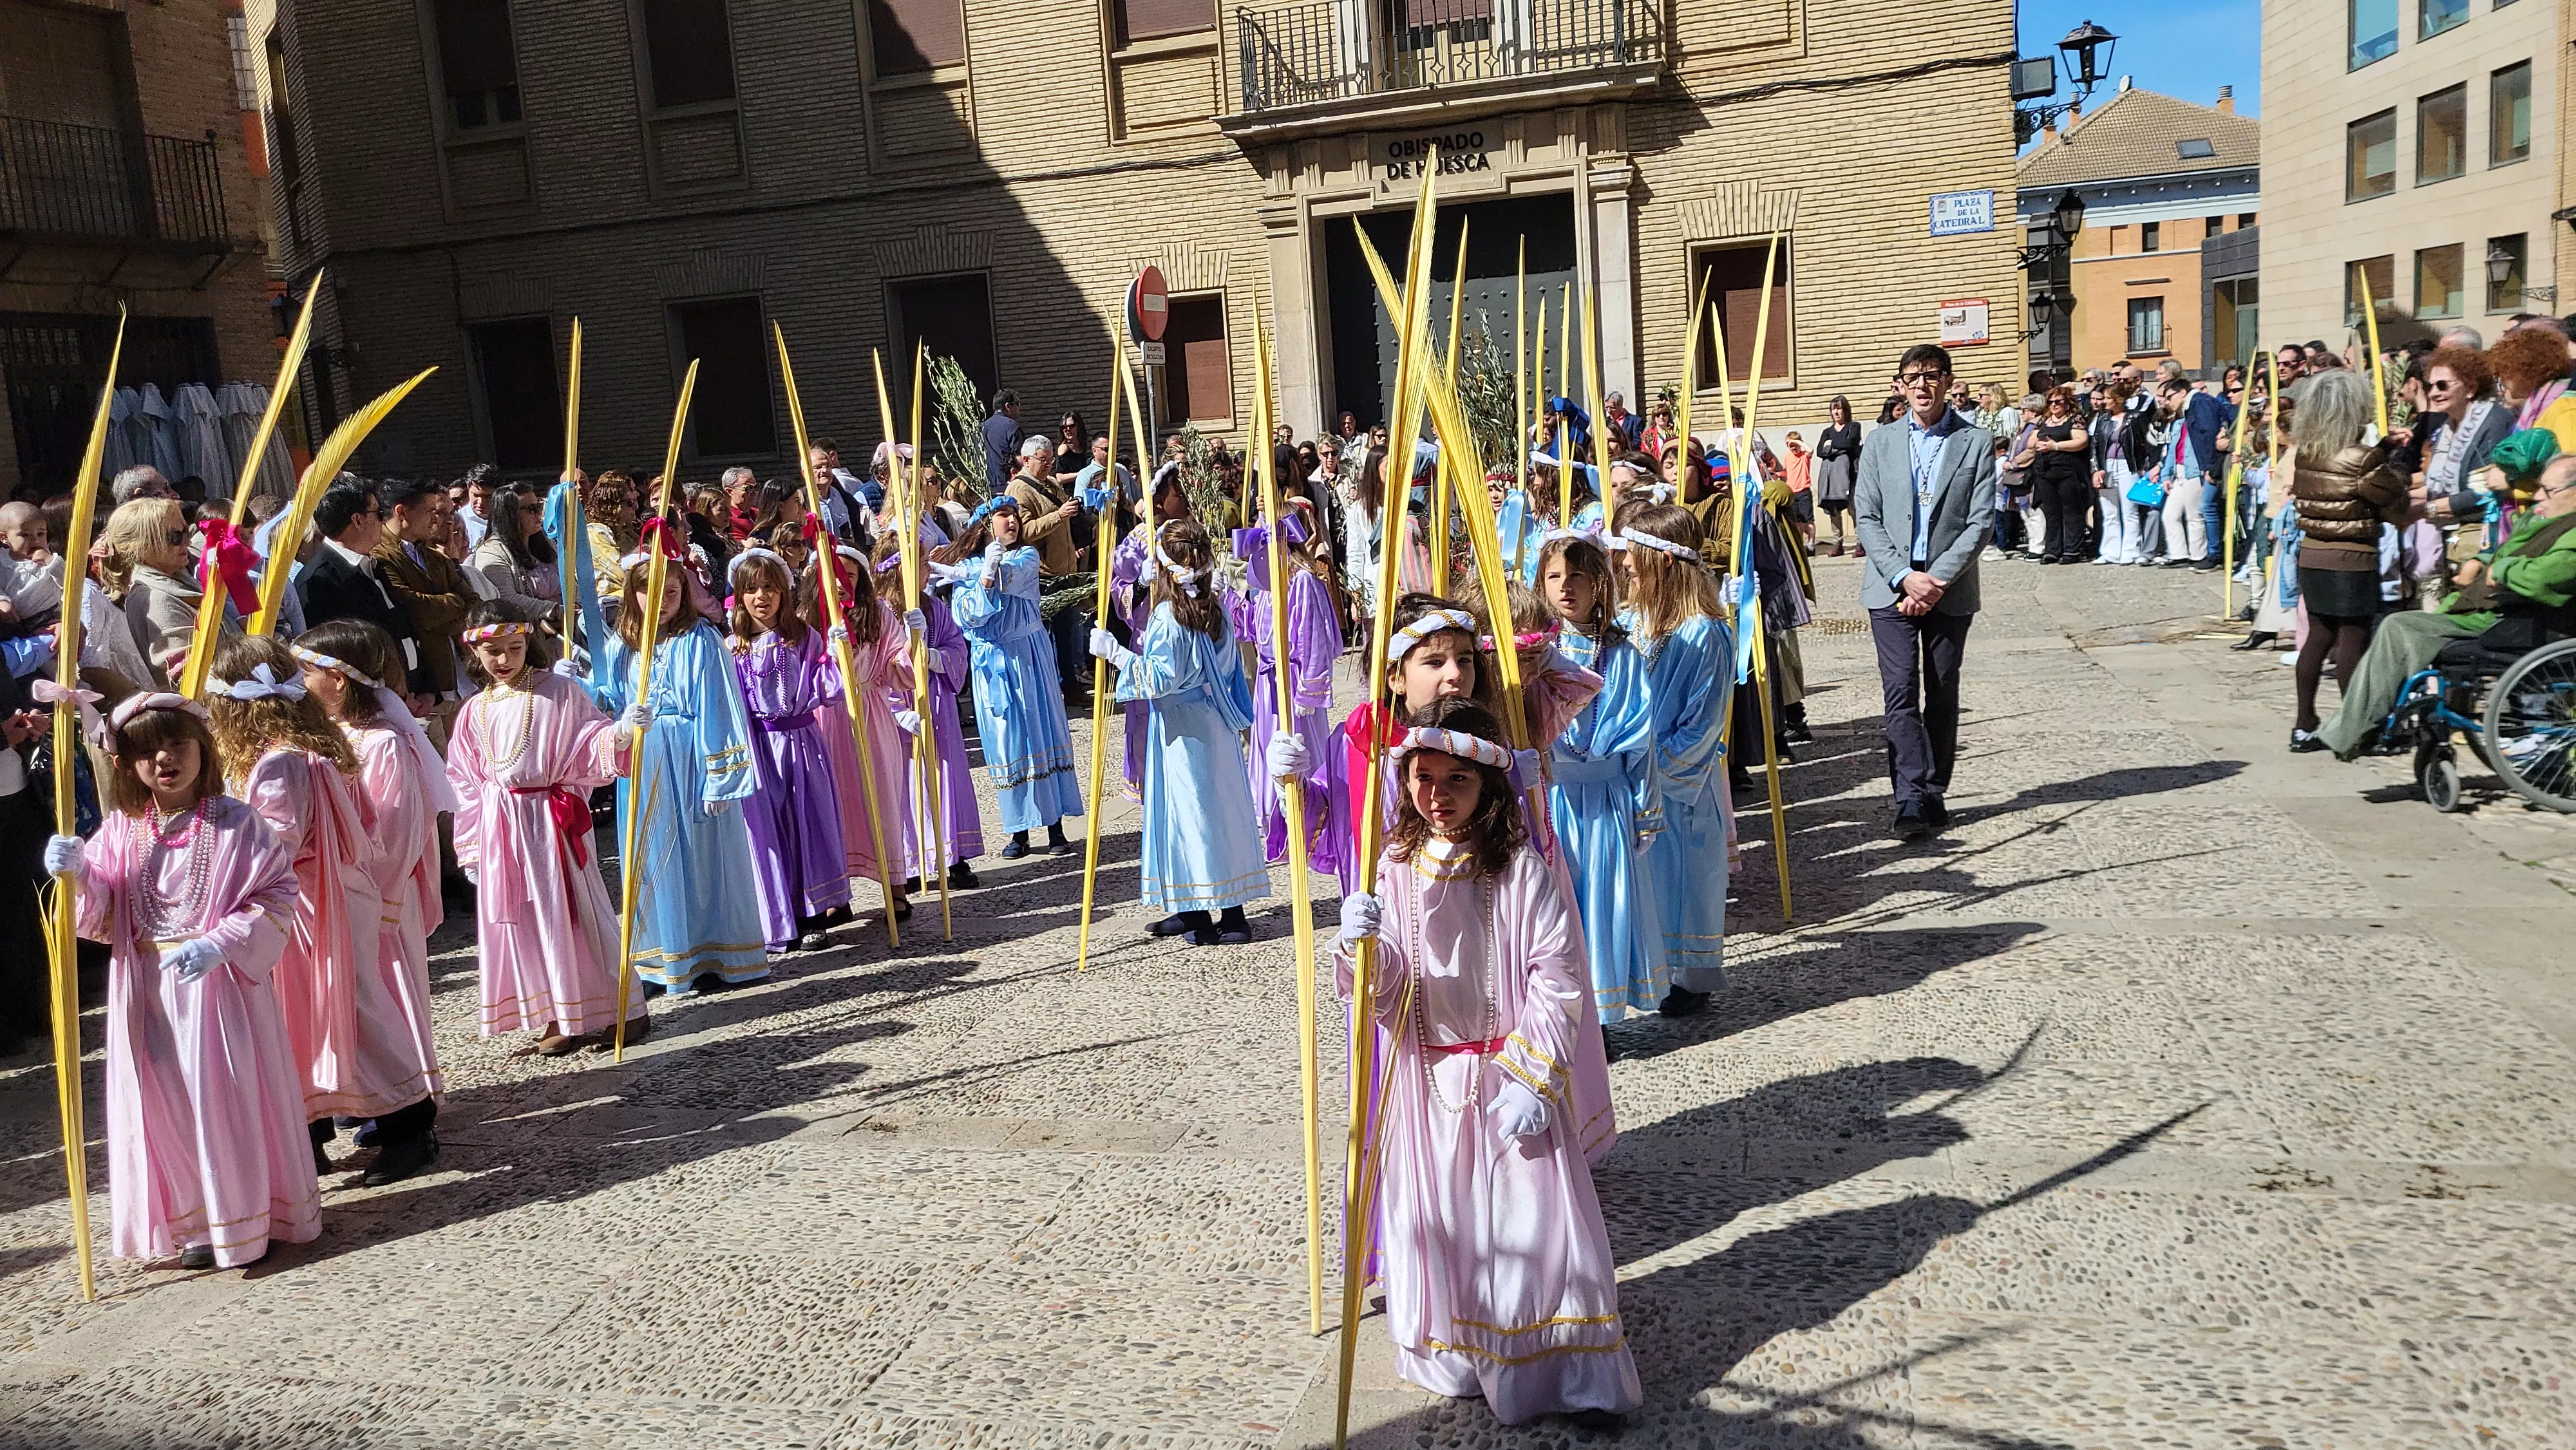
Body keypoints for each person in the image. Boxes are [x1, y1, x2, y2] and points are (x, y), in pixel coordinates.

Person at [1332, 698, 1640, 1429]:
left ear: (1489, 785)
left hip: (1508, 1079)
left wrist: (1534, 1075)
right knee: (1453, 1227)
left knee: (1536, 1230)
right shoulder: (1397, 867)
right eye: (1422, 777)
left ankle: (1566, 1373)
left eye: (1455, 781)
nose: (1436, 796)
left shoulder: (1521, 870)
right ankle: (1462, 1351)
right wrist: (1360, 949)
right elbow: (1391, 996)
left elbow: (1557, 974)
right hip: (1433, 1085)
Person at [46, 693, 321, 1270]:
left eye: (177, 745)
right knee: (166, 1105)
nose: (165, 760)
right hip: (145, 990)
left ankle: (248, 1216)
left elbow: (277, 895)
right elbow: (100, 914)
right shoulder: (122, 830)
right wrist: (78, 875)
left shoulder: (238, 821)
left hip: (218, 987)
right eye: (148, 751)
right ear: (126, 763)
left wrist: (218, 943)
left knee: (227, 1099)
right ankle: (196, 1219)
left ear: (203, 749)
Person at [203, 634, 375, 1176]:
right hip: (304, 899)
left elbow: (278, 836)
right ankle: (310, 1135)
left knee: (326, 1011)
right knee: (304, 1021)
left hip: (299, 907)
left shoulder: (278, 763)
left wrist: (214, 857)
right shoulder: (279, 754)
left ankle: (401, 1119)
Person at [287, 621, 447, 1185]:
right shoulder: (317, 739)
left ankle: (404, 1116)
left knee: (370, 1005)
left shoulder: (381, 743)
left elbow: (398, 828)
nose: (299, 680)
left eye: (308, 670)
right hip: (320, 903)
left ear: (339, 679)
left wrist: (372, 902)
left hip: (371, 899)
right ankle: (333, 1111)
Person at [447, 608, 644, 1051]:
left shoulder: (558, 691)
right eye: (492, 652)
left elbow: (587, 740)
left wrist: (620, 734)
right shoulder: (473, 710)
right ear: (474, 652)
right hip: (502, 826)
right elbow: (463, 779)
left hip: (550, 820)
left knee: (574, 913)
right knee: (529, 923)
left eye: (514, 649)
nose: (504, 660)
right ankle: (557, 1013)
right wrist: (472, 844)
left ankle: (621, 1006)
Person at [595, 541, 769, 992]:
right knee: (649, 858)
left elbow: (719, 705)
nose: (662, 600)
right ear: (633, 593)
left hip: (689, 756)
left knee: (700, 857)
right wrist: (579, 683)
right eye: (650, 592)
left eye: (671, 591)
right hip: (643, 757)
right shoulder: (622, 645)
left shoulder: (701, 640)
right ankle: (657, 959)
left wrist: (720, 777)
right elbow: (607, 699)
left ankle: (710, 954)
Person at [2319, 454, 2576, 758]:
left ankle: (2356, 729)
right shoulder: (2545, 518)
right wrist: (2479, 562)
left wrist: (2503, 570)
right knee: (2405, 626)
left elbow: (2551, 573)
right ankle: (2361, 725)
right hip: (2496, 609)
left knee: (2400, 626)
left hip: (2516, 620)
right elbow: (2510, 552)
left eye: (2548, 490)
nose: (2537, 496)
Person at [1090, 519, 1267, 945]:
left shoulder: (1171, 618)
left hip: (1183, 731)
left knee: (1191, 816)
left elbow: (1160, 678)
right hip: (1214, 725)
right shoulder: (1218, 610)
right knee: (1216, 812)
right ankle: (1200, 908)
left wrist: (1116, 654)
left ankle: (1212, 917)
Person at [1855, 343, 1996, 841]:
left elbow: (1980, 522)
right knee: (1899, 694)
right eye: (1912, 377)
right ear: (1900, 385)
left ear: (1948, 381)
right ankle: (1909, 797)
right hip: (1891, 589)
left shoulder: (1974, 442)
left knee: (1941, 691)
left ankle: (1935, 789)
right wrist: (1902, 576)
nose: (1922, 385)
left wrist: (1934, 580)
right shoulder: (1880, 442)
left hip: (1948, 590)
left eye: (1932, 375)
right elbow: (1866, 517)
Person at [1536, 533, 1667, 1021]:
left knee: (1604, 901)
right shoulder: (1534, 654)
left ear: (1598, 585)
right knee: (1559, 906)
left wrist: (1645, 808)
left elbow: (1641, 738)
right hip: (1555, 796)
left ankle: (1603, 1016)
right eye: (1554, 577)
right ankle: (1562, 1012)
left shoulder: (1624, 655)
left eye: (1577, 577)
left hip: (1606, 799)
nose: (1565, 587)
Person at [1616, 503, 1732, 1013]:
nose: (1624, 565)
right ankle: (1650, 968)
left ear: (1663, 562)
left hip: (1672, 781)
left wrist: (1653, 770)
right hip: (1630, 775)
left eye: (1633, 554)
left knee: (1684, 876)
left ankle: (1692, 975)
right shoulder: (1629, 623)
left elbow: (1703, 725)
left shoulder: (1704, 633)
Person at [726, 547, 853, 957]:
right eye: (751, 590)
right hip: (760, 749)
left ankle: (815, 911)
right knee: (771, 831)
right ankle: (783, 917)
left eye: (769, 588)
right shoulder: (734, 647)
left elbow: (828, 690)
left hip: (800, 746)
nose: (761, 596)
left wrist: (837, 656)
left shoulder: (804, 638)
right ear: (740, 597)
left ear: (783, 591)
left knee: (807, 824)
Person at [943, 496, 1084, 858]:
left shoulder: (1027, 556)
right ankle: (1018, 830)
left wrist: (984, 574)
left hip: (1029, 655)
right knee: (1007, 740)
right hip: (993, 661)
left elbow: (1015, 579)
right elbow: (967, 615)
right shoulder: (971, 564)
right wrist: (979, 574)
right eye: (1003, 516)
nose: (1012, 522)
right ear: (985, 524)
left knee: (1041, 731)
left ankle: (1055, 826)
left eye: (1015, 516)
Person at [2285, 370, 2411, 752]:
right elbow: (2396, 504)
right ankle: (2356, 728)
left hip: (2313, 554)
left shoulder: (2308, 452)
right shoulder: (2363, 458)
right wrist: (2397, 468)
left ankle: (2304, 724)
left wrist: (2382, 452)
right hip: (2352, 558)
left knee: (2317, 640)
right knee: (2352, 642)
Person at [1231, 498, 1345, 883]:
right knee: (1267, 749)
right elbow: (1250, 627)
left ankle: (1308, 818)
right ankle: (1271, 820)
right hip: (1268, 680)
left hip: (1293, 683)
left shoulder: (1302, 581)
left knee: (1297, 749)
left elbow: (1313, 637)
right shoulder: (1267, 582)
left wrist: (1310, 690)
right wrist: (1226, 597)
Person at [804, 543, 914, 924]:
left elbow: (897, 664)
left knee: (880, 798)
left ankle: (895, 886)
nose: (840, 581)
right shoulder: (806, 617)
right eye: (833, 573)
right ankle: (837, 892)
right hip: (825, 719)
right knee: (832, 805)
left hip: (870, 714)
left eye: (849, 575)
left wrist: (913, 647)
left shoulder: (879, 614)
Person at [371, 478, 478, 715]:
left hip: (461, 677)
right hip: (425, 689)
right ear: (402, 512)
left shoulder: (435, 557)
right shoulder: (379, 556)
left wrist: (443, 617)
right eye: (430, 511)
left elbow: (474, 604)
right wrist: (454, 604)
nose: (436, 520)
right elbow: (413, 610)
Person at [99, 496, 211, 688]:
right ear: (143, 546)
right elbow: (189, 677)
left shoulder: (177, 582)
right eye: (176, 537)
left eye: (186, 531)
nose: (188, 540)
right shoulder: (156, 599)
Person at [2151, 375, 2233, 569]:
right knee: (2170, 515)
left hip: (2196, 470)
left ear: (2182, 393)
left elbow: (2207, 436)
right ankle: (2179, 553)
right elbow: (2173, 450)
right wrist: (2166, 474)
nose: (2168, 402)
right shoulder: (2183, 418)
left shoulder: (2200, 404)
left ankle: (2199, 555)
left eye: (2170, 397)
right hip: (2181, 472)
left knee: (2195, 514)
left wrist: (2208, 467)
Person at [468, 484, 562, 621]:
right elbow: (506, 598)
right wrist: (556, 610)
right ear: (510, 515)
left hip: (569, 626)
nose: (539, 513)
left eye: (539, 506)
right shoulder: (490, 553)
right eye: (531, 509)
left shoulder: (548, 544)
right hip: (529, 634)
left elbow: (571, 581)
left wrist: (576, 606)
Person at [2026, 386, 2094, 564]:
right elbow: (2031, 441)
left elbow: (2081, 441)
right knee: (2051, 511)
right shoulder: (2044, 421)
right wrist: (2039, 444)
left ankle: (2072, 549)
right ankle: (2052, 550)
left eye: (2058, 402)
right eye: (2051, 402)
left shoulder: (2075, 420)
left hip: (2068, 470)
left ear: (2067, 403)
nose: (2054, 405)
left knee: (2071, 510)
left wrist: (2055, 446)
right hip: (2045, 471)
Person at [1812, 395, 1861, 556]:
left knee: (1853, 509)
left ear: (1845, 410)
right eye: (1833, 409)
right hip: (1831, 476)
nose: (1836, 412)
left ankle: (1860, 542)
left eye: (1839, 408)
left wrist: (1831, 445)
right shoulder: (1827, 431)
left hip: (1851, 474)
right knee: (1833, 510)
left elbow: (1850, 444)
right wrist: (1837, 447)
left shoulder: (1854, 426)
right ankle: (1838, 543)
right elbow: (1820, 451)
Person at [981, 389, 1023, 495]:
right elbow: (1019, 457)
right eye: (1017, 404)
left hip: (986, 486)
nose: (1020, 408)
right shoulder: (1012, 426)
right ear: (1008, 406)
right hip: (1008, 485)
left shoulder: (981, 428)